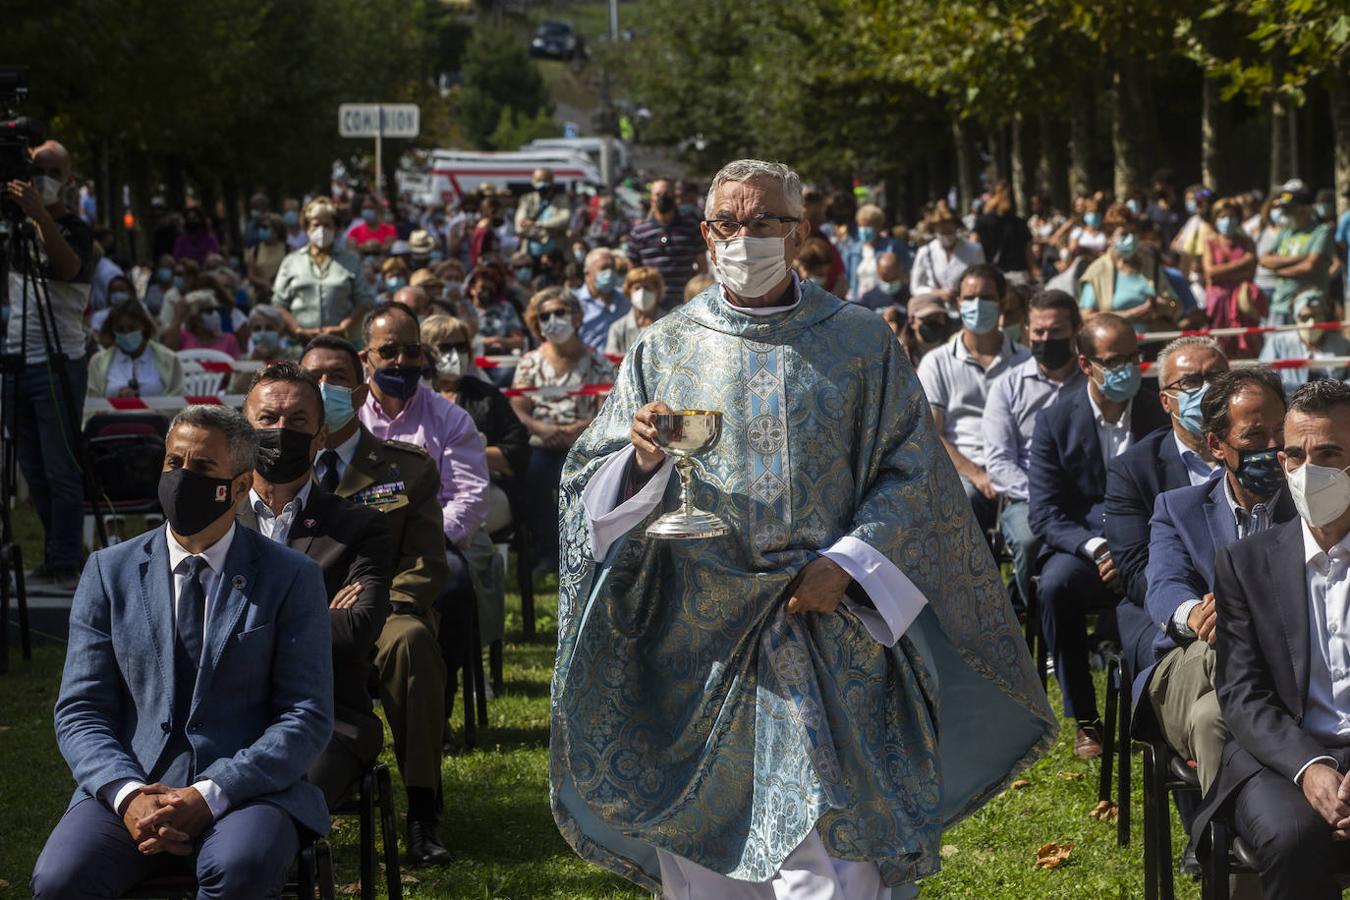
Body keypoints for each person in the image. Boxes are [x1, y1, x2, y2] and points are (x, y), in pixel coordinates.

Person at [551, 158, 1054, 898]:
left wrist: (850, 562)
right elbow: (586, 486)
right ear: (705, 232)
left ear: (799, 231)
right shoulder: (664, 345)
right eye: (728, 223)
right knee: (707, 849)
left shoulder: (858, 341)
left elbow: (914, 471)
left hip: (824, 625)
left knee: (831, 855)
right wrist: (641, 457)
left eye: (764, 223)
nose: (744, 238)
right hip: (699, 635)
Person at [31, 405, 333, 898]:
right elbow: (81, 710)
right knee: (60, 879)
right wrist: (128, 796)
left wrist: (209, 794)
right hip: (132, 787)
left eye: (202, 469)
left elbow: (306, 715)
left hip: (246, 793)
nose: (181, 478)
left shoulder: (290, 578)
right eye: (174, 464)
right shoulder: (110, 571)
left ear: (238, 488)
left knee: (241, 869)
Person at [300, 336, 457, 866]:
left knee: (410, 643)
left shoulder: (404, 468)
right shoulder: (274, 465)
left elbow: (425, 561)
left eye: (338, 378)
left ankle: (422, 810)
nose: (325, 389)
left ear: (361, 383)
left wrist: (376, 607)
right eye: (313, 377)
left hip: (381, 611)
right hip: (300, 614)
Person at [1190, 379, 1350, 899]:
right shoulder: (1245, 563)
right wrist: (1310, 767)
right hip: (1283, 756)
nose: (1309, 471)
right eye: (1296, 455)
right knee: (1292, 838)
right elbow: (1242, 691)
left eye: (1329, 453)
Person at [238, 363, 392, 810]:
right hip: (224, 718)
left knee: (270, 811)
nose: (281, 431)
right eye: (267, 419)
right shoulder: (215, 524)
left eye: (298, 421)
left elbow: (357, 631)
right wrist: (313, 614)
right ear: (243, 432)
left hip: (326, 721)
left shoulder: (359, 527)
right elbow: (187, 628)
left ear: (321, 436)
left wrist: (241, 623)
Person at [1140, 367, 1294, 796]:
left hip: (1277, 676)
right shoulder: (1178, 508)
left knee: (1212, 717)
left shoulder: (1312, 506)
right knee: (1227, 635)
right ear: (1216, 445)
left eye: (1279, 431)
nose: (1273, 447)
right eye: (1253, 437)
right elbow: (1165, 587)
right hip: (1195, 662)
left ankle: (1222, 846)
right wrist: (1201, 617)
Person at [1028, 313, 1169, 758]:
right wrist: (1099, 548)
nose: (1128, 368)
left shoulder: (1157, 412)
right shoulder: (1054, 421)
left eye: (1133, 357)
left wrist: (1134, 551)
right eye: (1114, 360)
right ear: (1086, 364)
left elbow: (1177, 493)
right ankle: (1085, 719)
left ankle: (1160, 710)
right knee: (1054, 585)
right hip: (1088, 547)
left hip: (1150, 544)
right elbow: (1045, 512)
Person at [1104, 336, 1229, 677]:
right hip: (1160, 615)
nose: (1207, 389)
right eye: (1191, 382)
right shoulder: (1133, 469)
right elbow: (1133, 568)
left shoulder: (1260, 458)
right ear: (1166, 401)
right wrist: (1194, 609)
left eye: (1218, 377)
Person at [4, 140, 95, 589]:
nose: (44, 177)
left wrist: (42, 215)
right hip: (19, 358)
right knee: (33, 467)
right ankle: (59, 550)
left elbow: (66, 267)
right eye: (36, 169)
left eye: (54, 171)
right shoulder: (15, 229)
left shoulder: (75, 228)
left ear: (70, 179)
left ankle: (65, 561)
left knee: (61, 467)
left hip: (58, 361)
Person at [421, 315, 529, 668]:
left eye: (460, 346)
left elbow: (517, 453)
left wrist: (467, 452)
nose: (454, 354)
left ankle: (477, 651)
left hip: (484, 491)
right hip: (424, 497)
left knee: (476, 548)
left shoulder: (486, 397)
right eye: (444, 347)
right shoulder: (415, 397)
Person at [982, 289, 1085, 613]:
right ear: (1027, 332)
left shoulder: (1092, 383)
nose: (1045, 339)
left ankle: (1104, 629)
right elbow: (999, 461)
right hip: (1028, 497)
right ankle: (1039, 617)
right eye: (1038, 332)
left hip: (1088, 494)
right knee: (1029, 540)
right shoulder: (1008, 386)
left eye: (1055, 332)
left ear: (1075, 331)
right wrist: (1043, 495)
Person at [917, 263, 1031, 534]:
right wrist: (976, 474)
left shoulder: (1026, 361)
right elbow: (932, 432)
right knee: (962, 502)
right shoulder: (937, 362)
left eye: (987, 298)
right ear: (958, 302)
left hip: (1017, 471)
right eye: (970, 298)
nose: (978, 305)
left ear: (1002, 303)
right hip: (963, 473)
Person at [511, 287, 616, 570]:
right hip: (540, 441)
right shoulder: (529, 362)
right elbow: (518, 408)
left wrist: (576, 430)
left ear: (577, 317)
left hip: (584, 441)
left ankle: (584, 552)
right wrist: (542, 429)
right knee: (537, 477)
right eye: (545, 316)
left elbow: (605, 408)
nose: (553, 320)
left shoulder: (598, 362)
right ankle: (547, 552)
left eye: (560, 313)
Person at [272, 198, 375, 340]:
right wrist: (297, 329)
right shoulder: (291, 261)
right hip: (299, 343)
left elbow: (364, 300)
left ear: (336, 228)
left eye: (327, 225)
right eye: (316, 225)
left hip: (342, 342)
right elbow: (278, 304)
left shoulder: (351, 260)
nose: (321, 230)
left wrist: (345, 326)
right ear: (307, 228)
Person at [1078, 209, 1180, 332]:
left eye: (1133, 233)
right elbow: (1087, 317)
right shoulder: (1096, 271)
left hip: (1154, 342)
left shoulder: (1150, 263)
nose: (1131, 239)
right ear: (1109, 237)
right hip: (1115, 345)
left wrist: (1166, 306)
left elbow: (1175, 304)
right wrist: (1131, 314)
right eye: (1124, 234)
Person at [625, 177, 708, 308]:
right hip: (652, 306)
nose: (663, 197)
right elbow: (632, 271)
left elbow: (702, 267)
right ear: (651, 198)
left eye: (666, 193)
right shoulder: (639, 232)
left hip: (684, 304)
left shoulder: (691, 229)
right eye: (658, 194)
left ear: (674, 196)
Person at [1260, 182, 1334, 326]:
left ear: (1306, 209)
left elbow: (1310, 266)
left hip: (1310, 308)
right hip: (1280, 305)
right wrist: (1301, 258)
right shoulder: (1286, 231)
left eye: (1290, 209)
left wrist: (1280, 271)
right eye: (1284, 209)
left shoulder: (1322, 231)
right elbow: (1264, 260)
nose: (1285, 214)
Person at [1202, 197, 1264, 358]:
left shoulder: (1246, 241)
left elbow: (1251, 272)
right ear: (1215, 220)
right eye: (1222, 217)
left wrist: (1222, 273)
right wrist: (1243, 262)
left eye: (1231, 217)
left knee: (1245, 347)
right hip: (1217, 304)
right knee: (1218, 348)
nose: (1227, 221)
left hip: (1241, 302)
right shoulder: (1210, 242)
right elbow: (1209, 272)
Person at [88, 300, 185, 398]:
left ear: (145, 327)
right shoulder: (98, 362)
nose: (126, 334)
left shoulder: (168, 359)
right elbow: (90, 403)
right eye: (120, 329)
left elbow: (179, 399)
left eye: (132, 328)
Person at [1260, 288, 1350, 393]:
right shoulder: (1277, 343)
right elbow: (1265, 376)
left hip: (1333, 404)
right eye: (1305, 317)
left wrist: (1334, 393)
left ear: (1326, 316)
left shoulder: (1342, 344)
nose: (1312, 323)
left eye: (1317, 316)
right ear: (1295, 318)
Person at [909, 204, 984, 301]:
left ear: (957, 227)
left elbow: (982, 281)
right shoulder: (925, 252)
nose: (946, 236)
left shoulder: (974, 249)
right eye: (942, 233)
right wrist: (937, 293)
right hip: (936, 309)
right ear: (934, 230)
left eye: (950, 231)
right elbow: (915, 287)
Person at [974, 180, 1035, 283]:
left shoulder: (982, 221)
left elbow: (974, 247)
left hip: (992, 276)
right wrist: (1035, 273)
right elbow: (1029, 253)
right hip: (1019, 275)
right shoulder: (1019, 222)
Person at [576, 247, 630, 351]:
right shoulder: (575, 303)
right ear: (587, 273)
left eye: (612, 268)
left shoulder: (625, 299)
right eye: (604, 268)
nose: (609, 273)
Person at [163, 287, 241, 359]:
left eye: (217, 310)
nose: (215, 314)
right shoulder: (183, 337)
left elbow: (236, 369)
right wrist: (178, 317)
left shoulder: (229, 340)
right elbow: (168, 351)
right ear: (195, 317)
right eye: (209, 311)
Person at [845, 203, 900, 300]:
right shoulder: (852, 251)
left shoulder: (892, 247)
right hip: (859, 305)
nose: (864, 229)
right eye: (862, 225)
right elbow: (847, 279)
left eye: (869, 226)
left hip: (885, 305)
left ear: (879, 227)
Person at [606, 266, 666, 355]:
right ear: (628, 292)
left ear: (657, 292)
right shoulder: (617, 329)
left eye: (647, 288)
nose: (642, 293)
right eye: (637, 288)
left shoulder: (669, 323)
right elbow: (611, 360)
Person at [515, 168, 571, 261]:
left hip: (555, 255)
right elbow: (520, 226)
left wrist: (538, 224)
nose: (542, 183)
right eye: (538, 180)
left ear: (552, 180)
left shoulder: (561, 199)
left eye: (545, 180)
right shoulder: (527, 199)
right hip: (530, 255)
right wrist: (547, 232)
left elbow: (564, 220)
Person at [900, 292, 956, 368]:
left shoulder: (955, 350)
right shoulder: (900, 355)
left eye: (937, 317)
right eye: (927, 318)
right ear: (912, 322)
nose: (933, 322)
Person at [245, 213, 287, 304]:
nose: (262, 230)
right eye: (261, 227)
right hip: (261, 297)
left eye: (265, 227)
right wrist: (266, 284)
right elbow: (251, 275)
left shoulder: (288, 249)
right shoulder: (255, 250)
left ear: (276, 230)